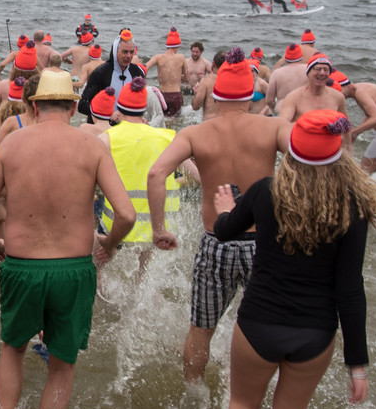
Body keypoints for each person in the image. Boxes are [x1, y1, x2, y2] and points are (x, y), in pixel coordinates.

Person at [216, 110, 376, 409]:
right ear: (338, 155)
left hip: (258, 326)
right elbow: (350, 290)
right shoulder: (353, 207)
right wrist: (357, 364)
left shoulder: (265, 192)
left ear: (292, 153)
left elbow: (225, 231)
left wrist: (224, 208)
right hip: (315, 334)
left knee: (243, 406)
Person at [0, 70, 133, 409]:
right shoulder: (92, 147)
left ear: (33, 105)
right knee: (62, 362)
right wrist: (108, 245)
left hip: (21, 266)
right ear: (75, 107)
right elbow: (126, 214)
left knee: (13, 348)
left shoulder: (12, 145)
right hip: (73, 269)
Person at [147, 49, 292, 386]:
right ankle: (257, 393)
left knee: (200, 330)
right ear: (251, 94)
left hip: (218, 243)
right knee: (270, 325)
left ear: (215, 93)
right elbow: (307, 160)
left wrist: (158, 229)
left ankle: (193, 394)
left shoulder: (195, 135)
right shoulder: (274, 128)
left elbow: (157, 175)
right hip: (264, 246)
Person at [98, 79, 182, 260]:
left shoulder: (106, 138)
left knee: (99, 265)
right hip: (159, 226)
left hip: (117, 223)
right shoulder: (167, 137)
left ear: (118, 110)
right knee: (143, 276)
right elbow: (197, 177)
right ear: (144, 110)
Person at [76, 29, 146, 116]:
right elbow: (82, 105)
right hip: (104, 126)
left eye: (131, 52)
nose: (129, 56)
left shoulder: (137, 72)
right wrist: (108, 114)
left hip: (127, 126)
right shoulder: (100, 73)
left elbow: (141, 102)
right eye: (124, 52)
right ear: (115, 51)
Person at [277, 53, 347, 122]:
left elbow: (346, 126)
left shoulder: (338, 97)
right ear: (308, 73)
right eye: (318, 69)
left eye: (326, 70)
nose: (322, 73)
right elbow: (282, 125)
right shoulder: (293, 98)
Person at [143, 28, 189, 117]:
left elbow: (143, 68)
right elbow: (187, 78)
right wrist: (177, 76)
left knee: (162, 121)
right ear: (177, 46)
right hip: (176, 96)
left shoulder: (158, 57)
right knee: (176, 122)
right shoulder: (181, 58)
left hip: (162, 96)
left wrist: (145, 83)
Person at [264, 43, 308, 115]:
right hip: (304, 112)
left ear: (286, 59)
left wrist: (273, 110)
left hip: (282, 111)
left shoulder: (276, 73)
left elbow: (269, 100)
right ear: (301, 57)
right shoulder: (309, 70)